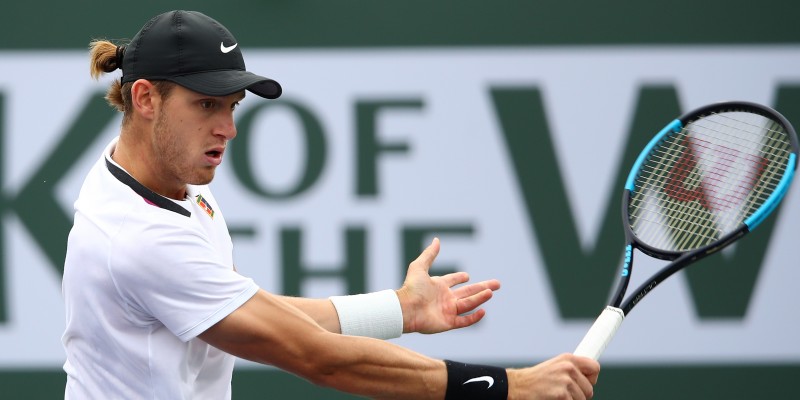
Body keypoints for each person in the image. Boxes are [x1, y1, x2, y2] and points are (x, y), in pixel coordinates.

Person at [61, 10, 600, 400]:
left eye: (231, 107)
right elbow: (314, 356)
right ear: (146, 98)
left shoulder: (155, 175)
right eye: (206, 105)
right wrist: (512, 386)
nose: (226, 129)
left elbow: (250, 312)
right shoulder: (139, 237)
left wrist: (400, 310)